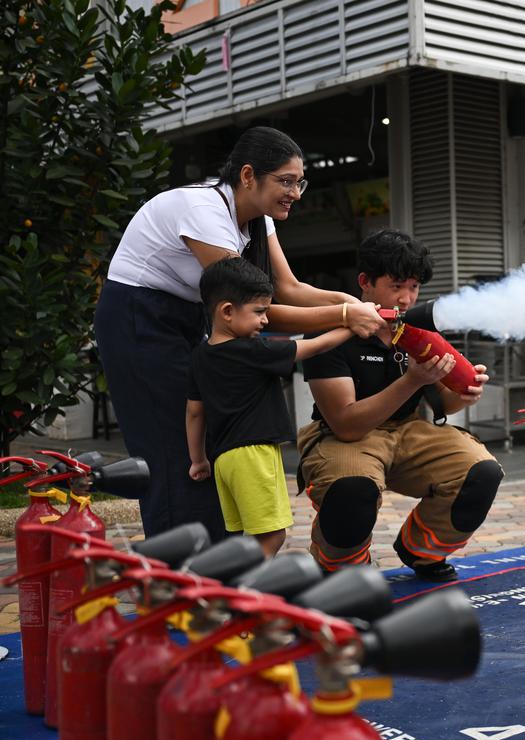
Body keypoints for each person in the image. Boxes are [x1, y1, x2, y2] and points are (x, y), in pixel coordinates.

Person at [95, 126, 384, 541]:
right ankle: (183, 575)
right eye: (286, 181)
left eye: (299, 181)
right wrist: (344, 316)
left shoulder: (258, 219)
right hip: (141, 321)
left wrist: (350, 302)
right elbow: (259, 312)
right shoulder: (204, 212)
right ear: (248, 176)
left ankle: (217, 562)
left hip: (191, 317)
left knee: (212, 436)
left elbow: (289, 289)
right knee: (173, 445)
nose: (296, 193)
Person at [297, 229, 504, 581]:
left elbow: (446, 403)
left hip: (408, 431)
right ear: (365, 282)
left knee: (481, 472)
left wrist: (465, 392)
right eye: (396, 286)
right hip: (343, 437)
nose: (407, 299)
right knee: (352, 489)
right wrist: (411, 380)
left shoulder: (417, 331)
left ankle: (421, 550)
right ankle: (342, 564)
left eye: (414, 287)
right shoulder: (328, 331)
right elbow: (346, 424)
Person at [186, 258, 352, 557]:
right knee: (271, 536)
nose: (265, 320)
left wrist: (197, 459)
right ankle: (248, 593)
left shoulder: (200, 355)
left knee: (239, 536)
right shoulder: (251, 350)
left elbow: (195, 412)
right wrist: (353, 325)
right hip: (254, 455)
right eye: (260, 312)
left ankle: (231, 587)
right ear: (227, 311)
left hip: (223, 459)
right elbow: (314, 347)